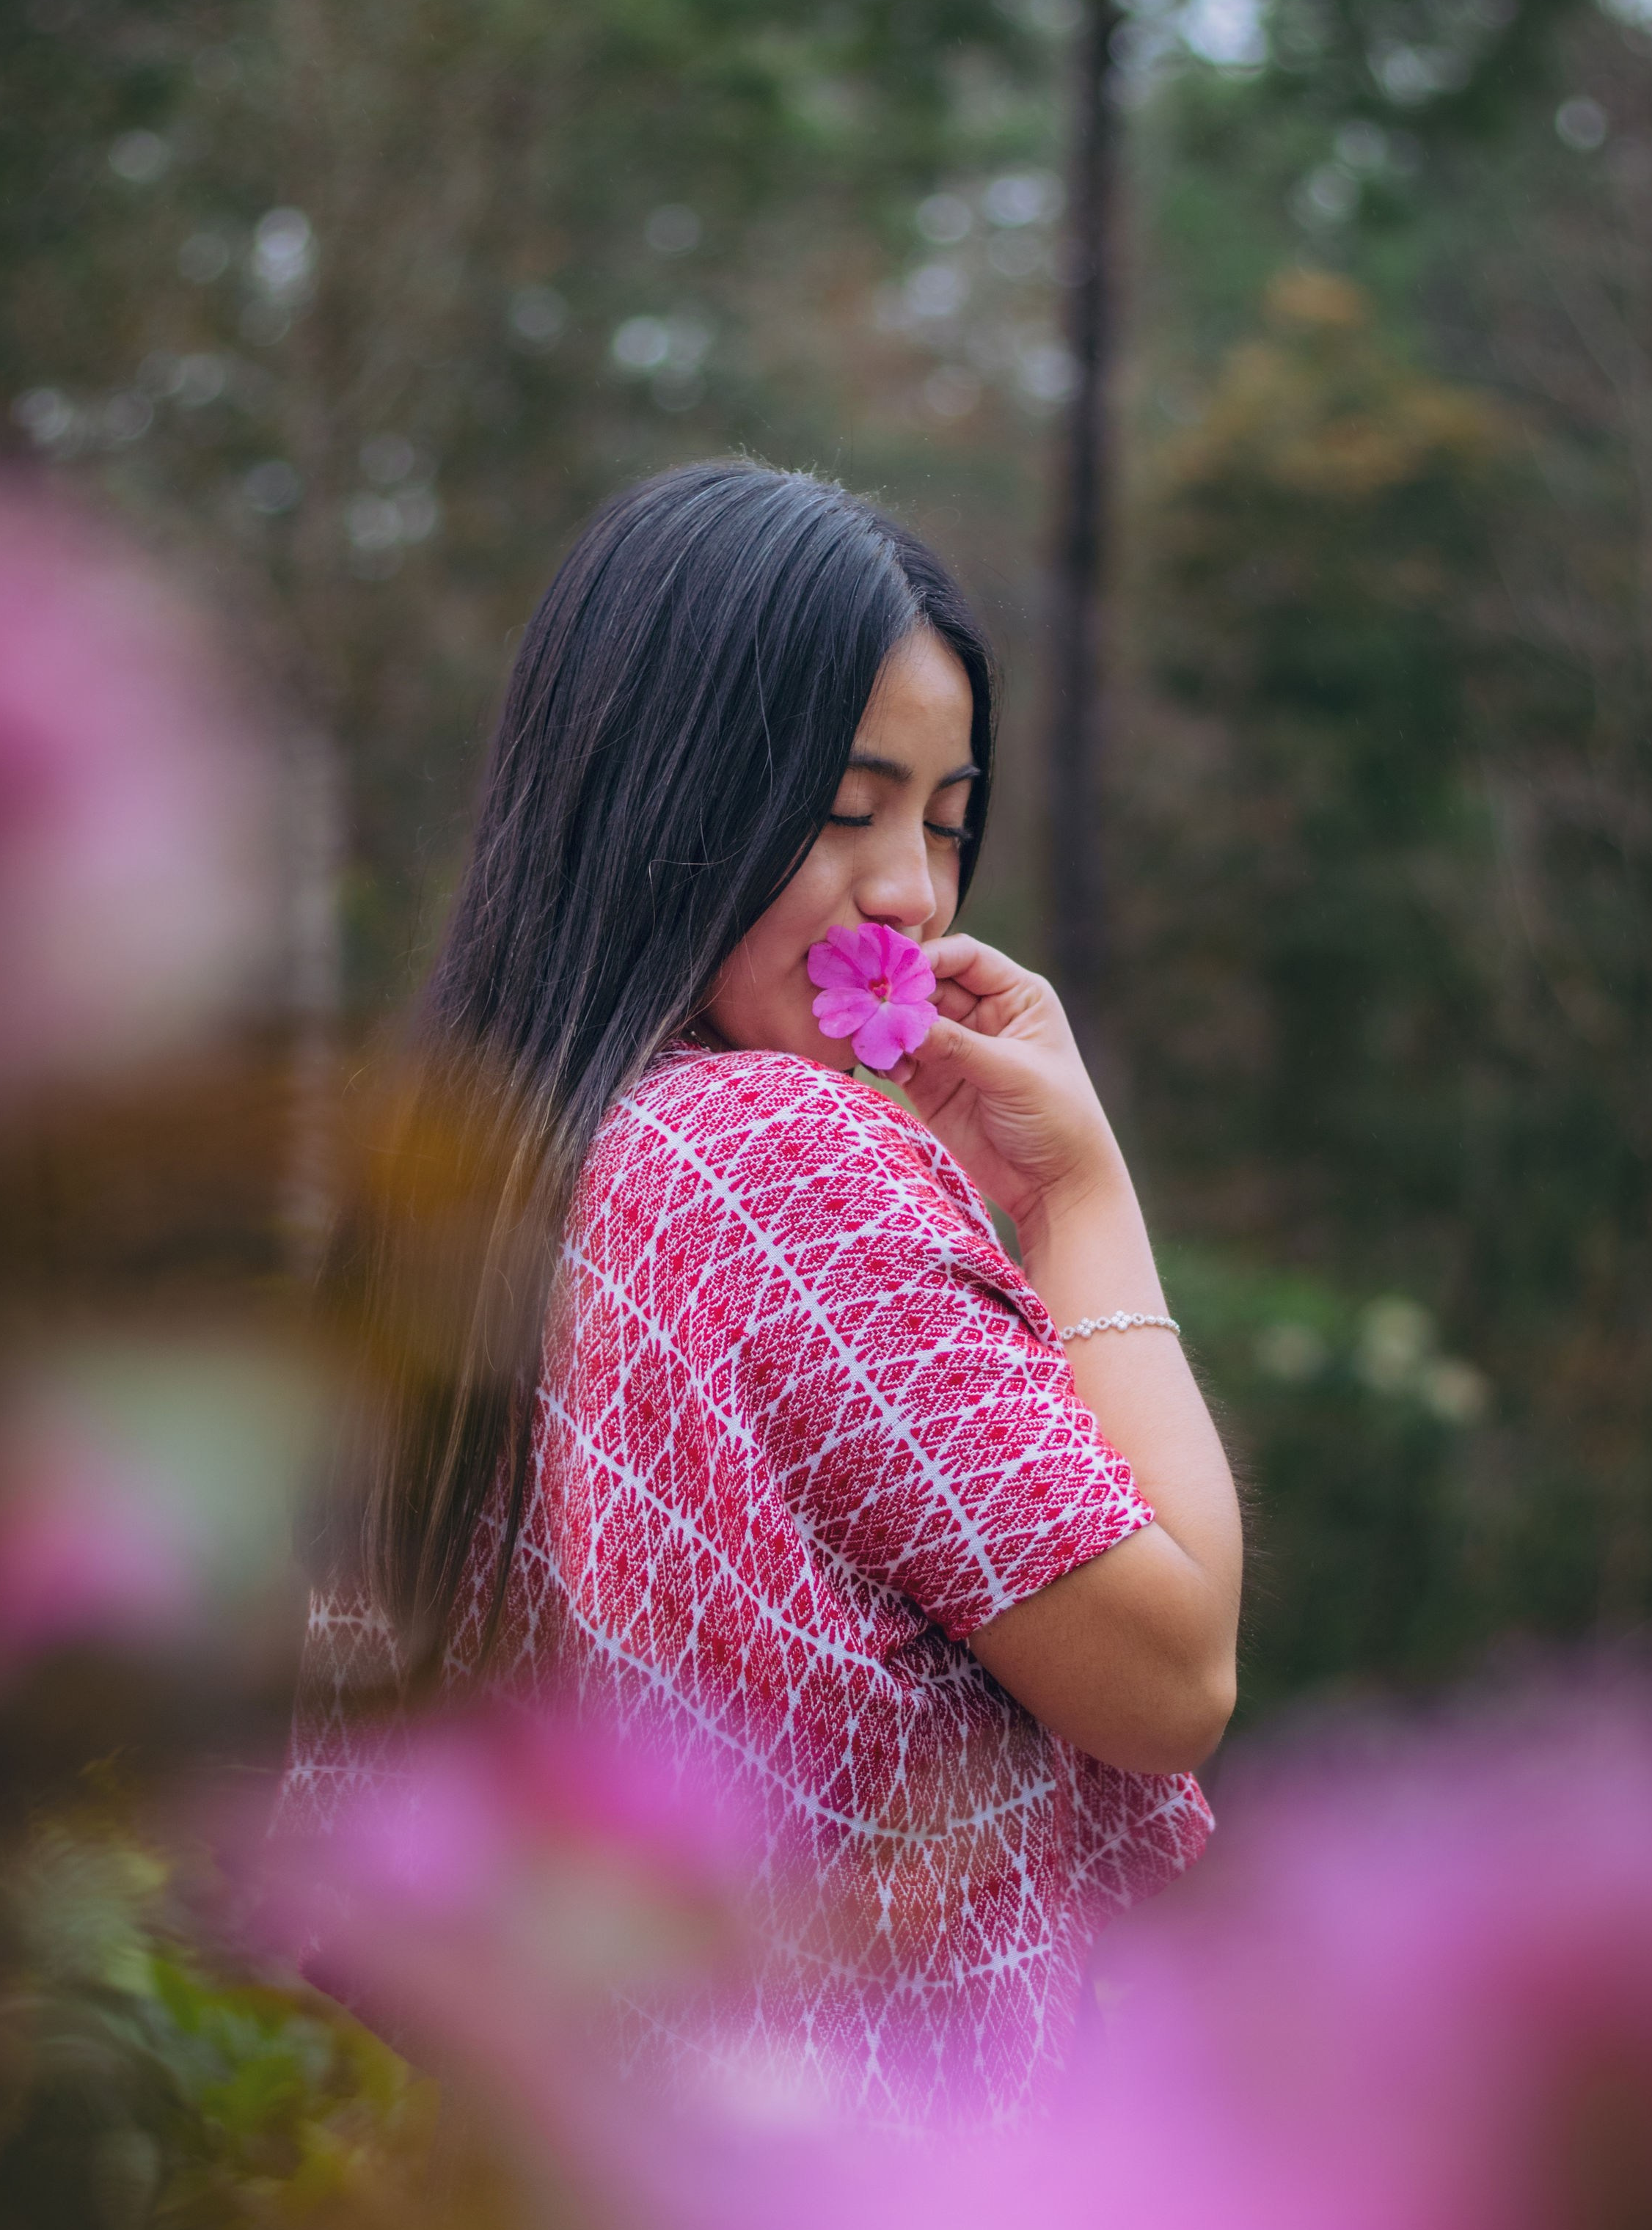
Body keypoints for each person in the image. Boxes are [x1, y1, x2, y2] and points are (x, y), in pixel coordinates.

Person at [282, 458, 1242, 2130]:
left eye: (944, 827)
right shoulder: (772, 1159)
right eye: (844, 807)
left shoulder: (462, 1189)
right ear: (662, 799)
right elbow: (1169, 1675)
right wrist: (1083, 1199)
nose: (912, 900)